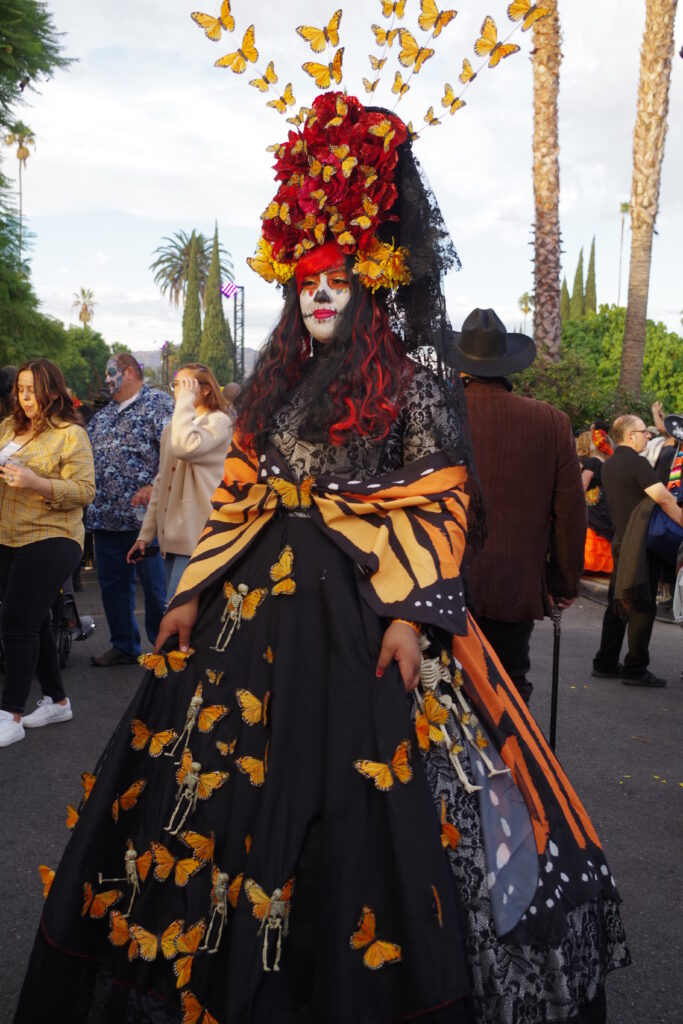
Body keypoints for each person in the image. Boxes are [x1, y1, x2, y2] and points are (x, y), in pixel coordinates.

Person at [15, 93, 627, 1024]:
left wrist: (414, 617)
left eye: (339, 278)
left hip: (366, 622)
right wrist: (189, 594)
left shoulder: (420, 390)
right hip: (246, 623)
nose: (322, 294)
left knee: (371, 817)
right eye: (307, 282)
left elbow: (436, 501)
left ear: (372, 284)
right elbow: (245, 492)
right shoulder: (276, 383)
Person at [449, 308, 587, 704]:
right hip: (513, 585)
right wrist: (564, 581)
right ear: (508, 365)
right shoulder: (552, 422)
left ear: (461, 367)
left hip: (441, 578)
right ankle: (513, 763)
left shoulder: (439, 416)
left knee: (441, 688)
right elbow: (570, 513)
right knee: (507, 685)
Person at [0, 359, 95, 748]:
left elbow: (85, 490)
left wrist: (37, 482)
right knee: (33, 619)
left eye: (32, 389)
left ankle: (11, 715)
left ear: (53, 392)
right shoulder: (7, 427)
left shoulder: (70, 434)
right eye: (20, 389)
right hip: (9, 536)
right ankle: (58, 701)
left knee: (16, 622)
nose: (24, 397)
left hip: (54, 536)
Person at [86, 352, 174, 666]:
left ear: (129, 373)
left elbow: (175, 451)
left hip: (146, 520)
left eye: (111, 373)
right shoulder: (103, 415)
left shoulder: (158, 404)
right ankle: (124, 646)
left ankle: (164, 650)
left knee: (155, 589)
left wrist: (155, 485)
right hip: (106, 517)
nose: (106, 380)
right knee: (112, 587)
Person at [126, 363, 233, 605]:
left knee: (178, 609)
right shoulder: (174, 428)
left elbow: (186, 447)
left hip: (200, 533)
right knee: (174, 608)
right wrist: (146, 535)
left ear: (206, 389)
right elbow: (162, 481)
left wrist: (185, 402)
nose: (179, 391)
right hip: (171, 538)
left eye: (186, 385)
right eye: (177, 385)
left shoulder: (219, 422)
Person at [592, 414, 683, 687]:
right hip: (640, 542)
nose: (649, 436)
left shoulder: (610, 464)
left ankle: (605, 662)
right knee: (642, 604)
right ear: (630, 436)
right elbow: (664, 498)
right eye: (644, 432)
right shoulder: (636, 463)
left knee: (618, 601)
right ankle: (635, 668)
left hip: (621, 539)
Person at [576, 428, 615, 574]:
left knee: (591, 535)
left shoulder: (593, 462)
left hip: (593, 510)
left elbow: (582, 485)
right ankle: (603, 567)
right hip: (606, 508)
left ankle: (589, 565)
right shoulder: (609, 462)